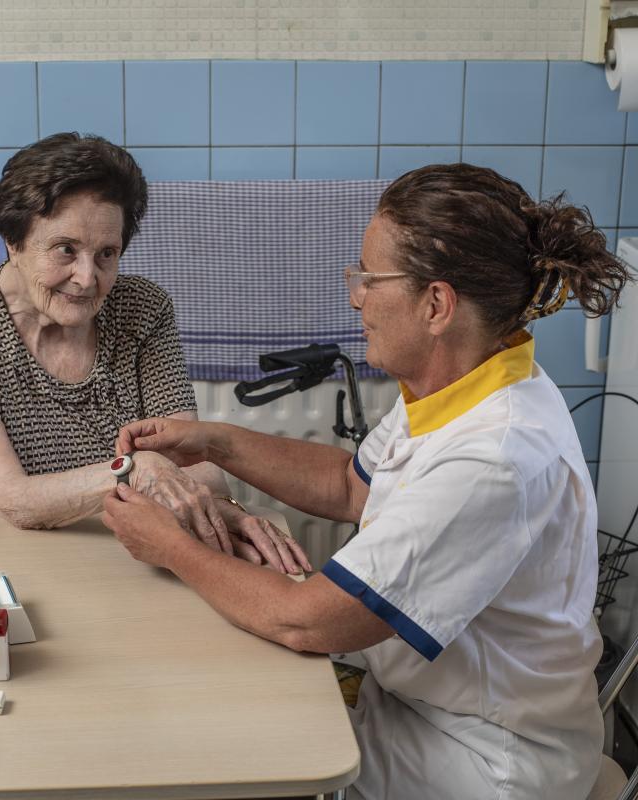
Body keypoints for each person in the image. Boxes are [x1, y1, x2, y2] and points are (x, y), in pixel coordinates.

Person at [103, 163, 631, 799]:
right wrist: (214, 440)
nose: (354, 296)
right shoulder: (471, 381)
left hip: (480, 757)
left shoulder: (491, 459)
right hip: (415, 700)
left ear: (436, 304)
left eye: (367, 278)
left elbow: (307, 621)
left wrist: (169, 548)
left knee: (221, 745)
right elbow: (351, 486)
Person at [0, 132, 309, 575]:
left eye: (106, 254)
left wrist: (218, 509)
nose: (86, 278)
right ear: (13, 240)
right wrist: (134, 470)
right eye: (66, 250)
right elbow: (14, 500)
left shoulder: (143, 310)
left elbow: (200, 468)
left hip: (126, 556)